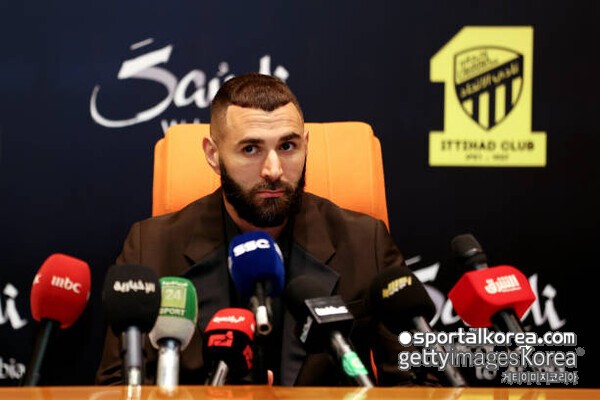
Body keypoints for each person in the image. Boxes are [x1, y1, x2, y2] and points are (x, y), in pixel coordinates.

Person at [95, 72, 438, 387]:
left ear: (306, 144)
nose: (273, 170)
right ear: (213, 155)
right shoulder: (152, 246)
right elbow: (118, 386)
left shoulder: (365, 242)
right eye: (251, 149)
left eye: (287, 147)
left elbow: (423, 382)